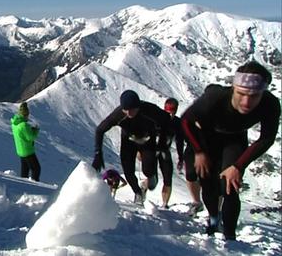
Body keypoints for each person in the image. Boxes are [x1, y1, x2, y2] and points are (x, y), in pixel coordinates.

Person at [181, 60, 280, 241]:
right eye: (241, 94)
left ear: (263, 93)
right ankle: (213, 218)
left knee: (229, 185)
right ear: (233, 87)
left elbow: (267, 138)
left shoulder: (270, 104)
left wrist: (238, 166)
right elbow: (186, 120)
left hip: (234, 139)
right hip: (206, 138)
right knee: (208, 183)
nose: (246, 102)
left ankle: (230, 237)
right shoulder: (215, 97)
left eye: (254, 96)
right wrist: (199, 152)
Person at [92, 90, 171, 205]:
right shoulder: (119, 114)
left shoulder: (149, 110)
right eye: (126, 110)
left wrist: (162, 143)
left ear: (138, 106)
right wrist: (98, 153)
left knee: (147, 169)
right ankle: (138, 193)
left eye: (132, 109)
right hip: (128, 141)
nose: (129, 113)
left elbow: (166, 120)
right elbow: (100, 130)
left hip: (148, 140)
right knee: (128, 171)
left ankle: (151, 175)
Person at [156, 98, 185, 209]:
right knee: (151, 178)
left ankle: (165, 204)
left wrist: (180, 157)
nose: (170, 114)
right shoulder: (157, 118)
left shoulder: (177, 124)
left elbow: (180, 141)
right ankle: (144, 187)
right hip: (152, 149)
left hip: (164, 150)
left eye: (172, 112)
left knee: (168, 177)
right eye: (168, 111)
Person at [11, 102, 41, 181]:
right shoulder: (24, 125)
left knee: (25, 170)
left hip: (20, 150)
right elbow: (31, 137)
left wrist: (30, 130)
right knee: (36, 169)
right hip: (28, 151)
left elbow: (22, 134)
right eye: (27, 114)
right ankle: (36, 186)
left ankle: (24, 185)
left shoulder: (15, 124)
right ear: (25, 114)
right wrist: (36, 130)